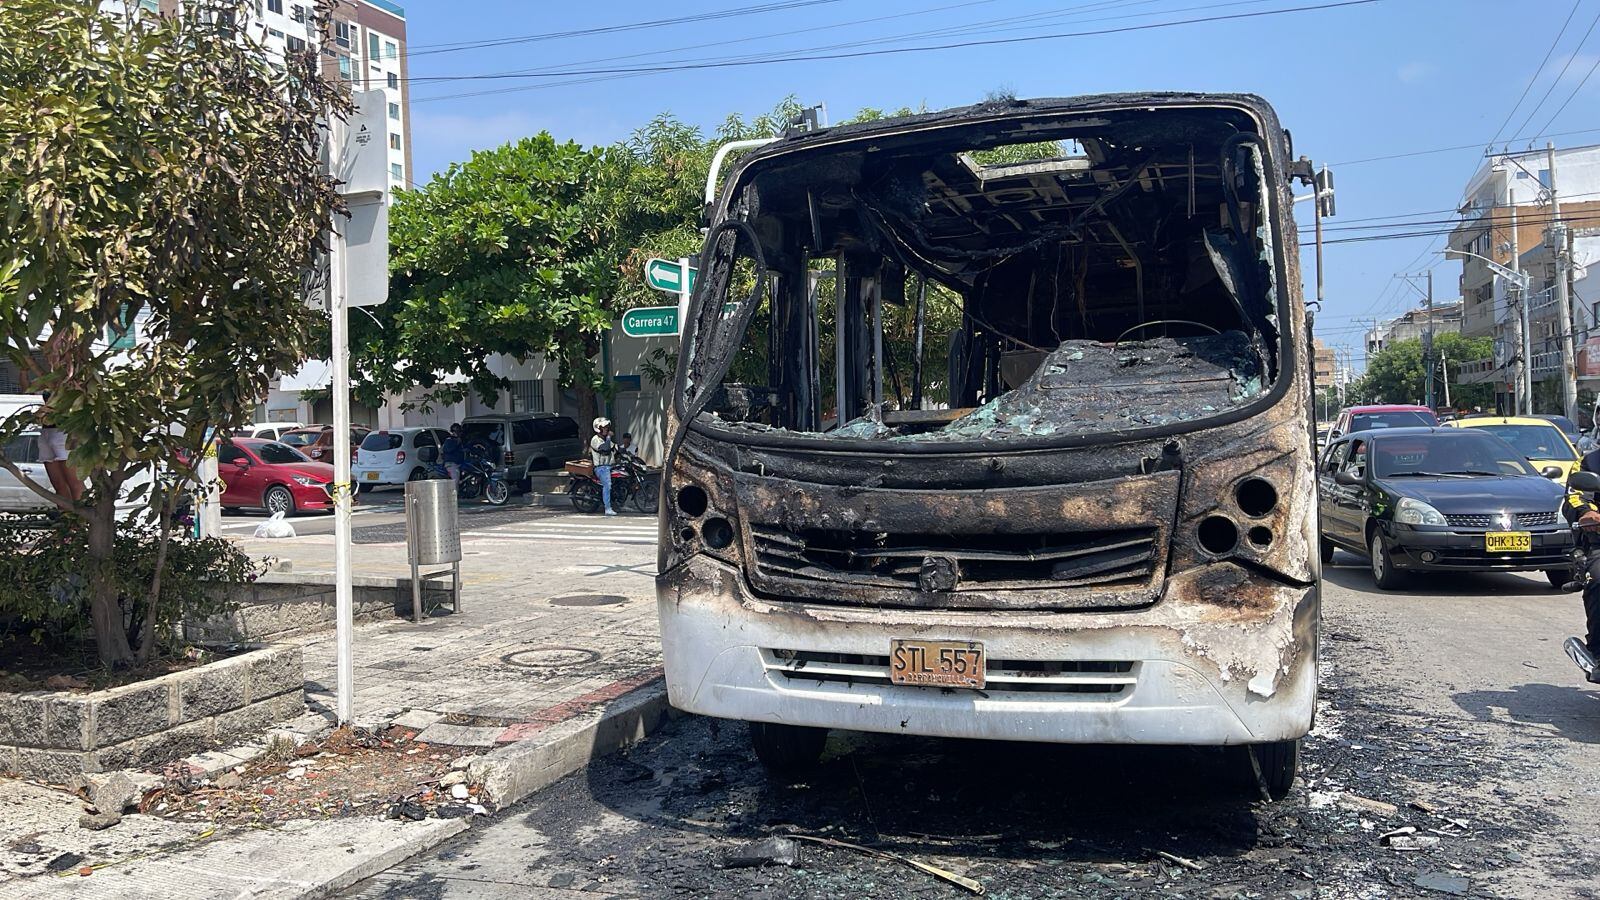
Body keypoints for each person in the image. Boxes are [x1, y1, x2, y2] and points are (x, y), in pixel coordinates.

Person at [1562, 481, 1600, 684]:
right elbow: (1576, 494)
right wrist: (1587, 512)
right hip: (1599, 538)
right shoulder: (1591, 462)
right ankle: (1598, 652)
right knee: (1598, 580)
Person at [36, 390, 84, 503]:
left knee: (74, 483)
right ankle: (66, 517)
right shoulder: (48, 378)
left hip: (64, 430)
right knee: (59, 484)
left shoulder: (69, 380)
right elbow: (26, 387)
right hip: (46, 430)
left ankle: (82, 518)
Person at [590, 417, 617, 516]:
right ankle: (607, 508)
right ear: (598, 428)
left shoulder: (606, 439)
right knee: (607, 485)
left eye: (607, 427)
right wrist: (609, 437)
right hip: (601, 467)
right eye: (604, 427)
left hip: (610, 466)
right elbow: (605, 448)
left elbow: (615, 448)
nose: (607, 429)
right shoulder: (595, 440)